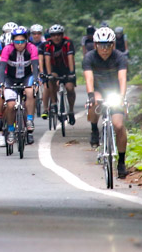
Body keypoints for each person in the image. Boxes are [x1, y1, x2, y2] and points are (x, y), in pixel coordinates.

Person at [83, 26, 129, 178]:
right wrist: (90, 95)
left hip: (114, 91)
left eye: (108, 45)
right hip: (98, 90)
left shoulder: (120, 57)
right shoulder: (89, 57)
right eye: (101, 45)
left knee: (119, 125)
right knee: (94, 102)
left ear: (113, 45)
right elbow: (89, 78)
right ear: (95, 45)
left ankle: (121, 162)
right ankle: (94, 130)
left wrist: (121, 97)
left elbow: (122, 78)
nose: (104, 49)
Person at [0, 26, 39, 147]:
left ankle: (29, 120)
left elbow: (35, 66)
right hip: (10, 78)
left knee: (30, 92)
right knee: (10, 105)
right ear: (12, 41)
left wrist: (36, 80)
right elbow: (2, 69)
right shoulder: (7, 49)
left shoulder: (32, 48)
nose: (19, 44)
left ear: (26, 40)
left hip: (26, 77)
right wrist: (1, 83)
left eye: (22, 41)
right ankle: (10, 131)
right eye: (17, 42)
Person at [42, 24, 77, 125]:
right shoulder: (48, 44)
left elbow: (70, 57)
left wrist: (71, 73)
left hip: (66, 68)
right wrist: (48, 74)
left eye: (58, 35)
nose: (56, 37)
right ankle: (54, 103)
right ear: (50, 36)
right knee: (51, 80)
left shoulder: (68, 43)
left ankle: (70, 110)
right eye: (53, 35)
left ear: (62, 35)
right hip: (54, 68)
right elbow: (47, 60)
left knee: (70, 88)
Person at [0, 21, 18, 131]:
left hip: (16, 73)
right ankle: (0, 120)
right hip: (1, 73)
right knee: (2, 95)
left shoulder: (20, 43)